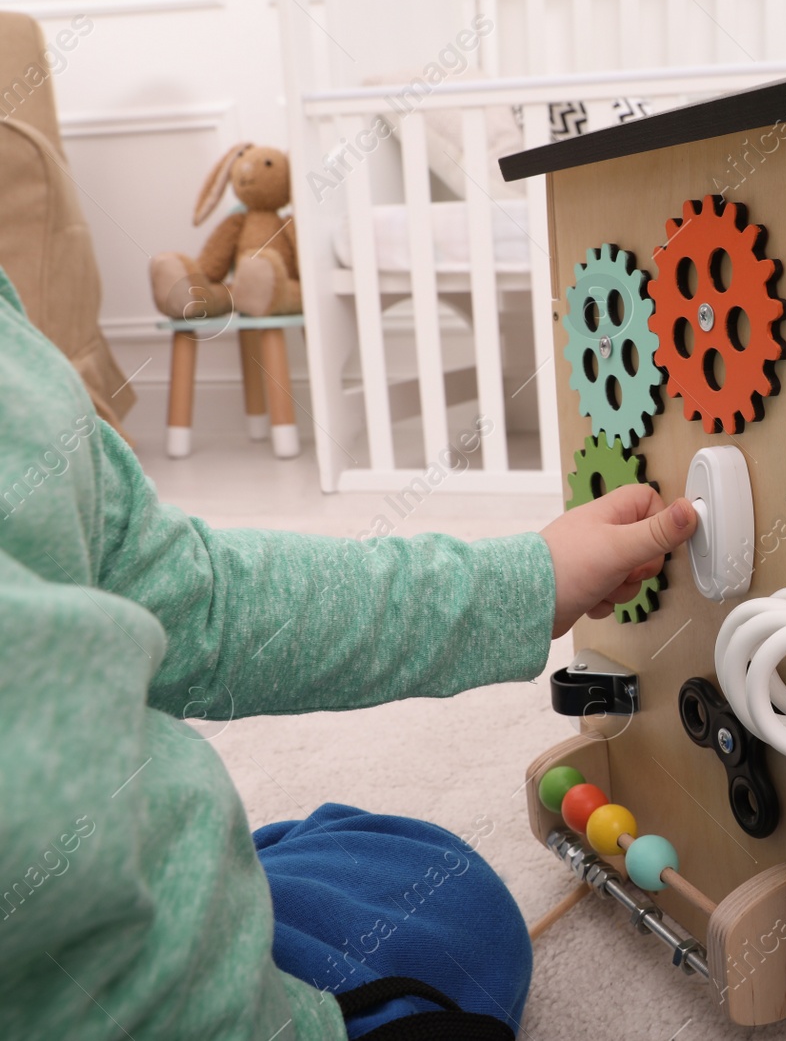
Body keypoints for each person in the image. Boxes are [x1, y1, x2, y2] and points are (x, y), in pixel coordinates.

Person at [0, 266, 698, 1040]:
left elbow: (202, 600)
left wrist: (526, 579)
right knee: (450, 906)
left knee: (399, 857)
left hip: (151, 895)